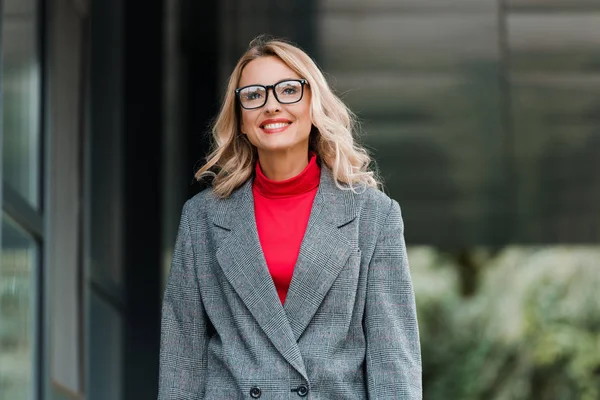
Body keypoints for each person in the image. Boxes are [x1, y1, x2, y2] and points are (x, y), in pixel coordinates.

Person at [158, 36, 422, 399]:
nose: (271, 106)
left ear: (313, 104)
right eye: (253, 95)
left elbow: (393, 359)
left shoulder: (374, 215)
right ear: (240, 119)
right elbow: (181, 356)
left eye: (288, 90)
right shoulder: (202, 217)